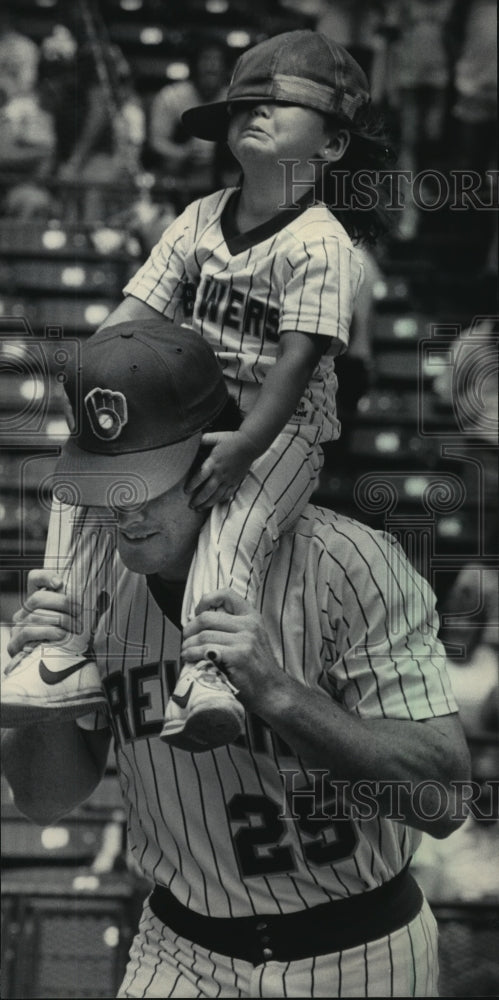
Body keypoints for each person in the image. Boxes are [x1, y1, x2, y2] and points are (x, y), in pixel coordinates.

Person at [2, 320, 471, 998]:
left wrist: (278, 694)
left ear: (216, 459)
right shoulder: (90, 578)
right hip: (180, 949)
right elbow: (43, 799)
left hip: (360, 949)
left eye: (147, 479)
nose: (123, 510)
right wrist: (49, 685)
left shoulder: (350, 563)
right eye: (106, 483)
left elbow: (442, 797)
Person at [2, 30, 392, 753]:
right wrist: (89, 382)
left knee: (233, 521)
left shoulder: (322, 241)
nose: (257, 112)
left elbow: (297, 365)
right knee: (81, 482)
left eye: (280, 104)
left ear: (332, 145)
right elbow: (131, 319)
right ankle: (58, 646)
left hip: (279, 427)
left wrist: (245, 446)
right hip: (186, 411)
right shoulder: (198, 217)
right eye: (246, 103)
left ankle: (210, 671)